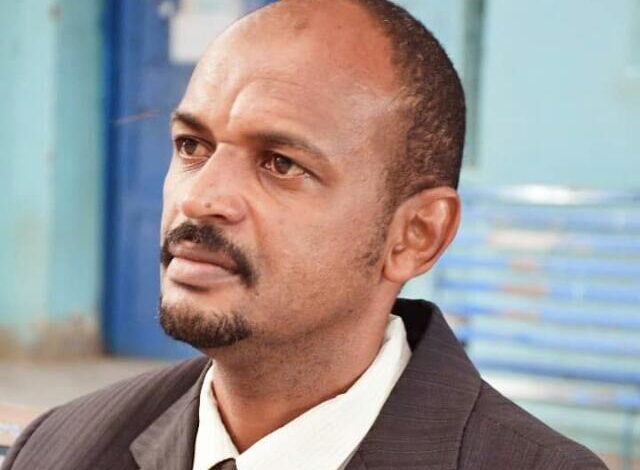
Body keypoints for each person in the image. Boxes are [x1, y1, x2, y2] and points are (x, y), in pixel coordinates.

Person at [3, 1, 607, 469]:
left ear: (416, 236)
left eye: (280, 164)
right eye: (191, 146)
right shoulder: (61, 447)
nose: (198, 198)